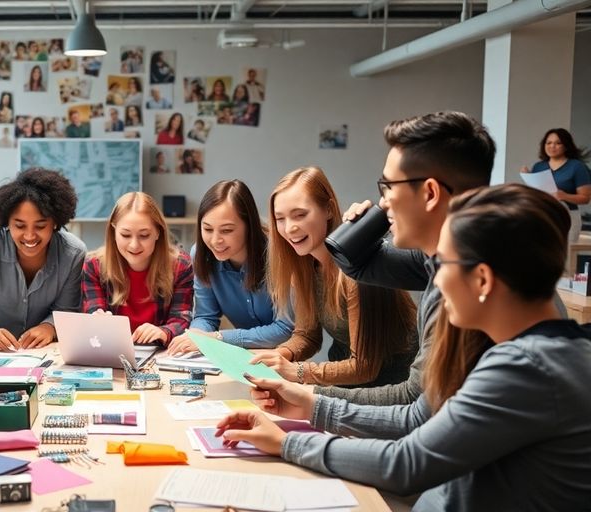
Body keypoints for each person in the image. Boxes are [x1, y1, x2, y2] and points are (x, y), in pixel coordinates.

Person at [218, 184, 591, 511]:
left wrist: (288, 444)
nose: (432, 285)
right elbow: (417, 420)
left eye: (440, 266)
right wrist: (311, 404)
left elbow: (408, 462)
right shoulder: (529, 352)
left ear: (482, 279)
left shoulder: (524, 367)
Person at [320, 111, 497, 406]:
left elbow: (415, 403)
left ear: (429, 193)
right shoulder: (436, 259)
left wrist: (309, 398)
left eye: (389, 187)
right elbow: (359, 266)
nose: (382, 201)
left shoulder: (465, 285)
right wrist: (363, 228)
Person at [252, 167, 418, 387]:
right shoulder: (305, 267)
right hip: (347, 389)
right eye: (280, 219)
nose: (289, 228)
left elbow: (364, 368)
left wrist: (297, 371)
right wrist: (281, 355)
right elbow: (307, 335)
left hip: (391, 393)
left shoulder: (356, 270)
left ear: (328, 210)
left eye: (300, 215)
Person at [0, 169, 86, 351]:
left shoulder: (73, 253)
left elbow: (68, 310)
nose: (29, 236)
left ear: (55, 223)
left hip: (45, 353)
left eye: (41, 226)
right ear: (7, 223)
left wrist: (49, 327)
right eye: (19, 225)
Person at [167, 180, 292, 355]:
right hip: (243, 356)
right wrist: (196, 334)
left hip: (286, 356)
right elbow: (206, 316)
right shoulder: (202, 254)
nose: (215, 240)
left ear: (249, 226)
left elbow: (285, 329)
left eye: (226, 231)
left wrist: (218, 338)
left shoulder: (278, 254)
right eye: (208, 229)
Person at [82, 193, 194, 345]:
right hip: (112, 350)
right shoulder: (93, 265)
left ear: (158, 233)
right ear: (113, 232)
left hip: (159, 354)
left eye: (144, 235)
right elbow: (93, 312)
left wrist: (163, 332)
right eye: (125, 235)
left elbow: (182, 318)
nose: (134, 245)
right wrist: (98, 320)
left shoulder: (180, 266)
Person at [521, 128, 591, 243]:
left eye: (558, 143)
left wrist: (565, 196)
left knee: (564, 257)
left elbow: (585, 198)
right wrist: (527, 177)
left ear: (566, 146)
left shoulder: (577, 167)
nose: (552, 146)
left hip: (567, 217)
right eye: (548, 143)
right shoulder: (538, 166)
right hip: (543, 216)